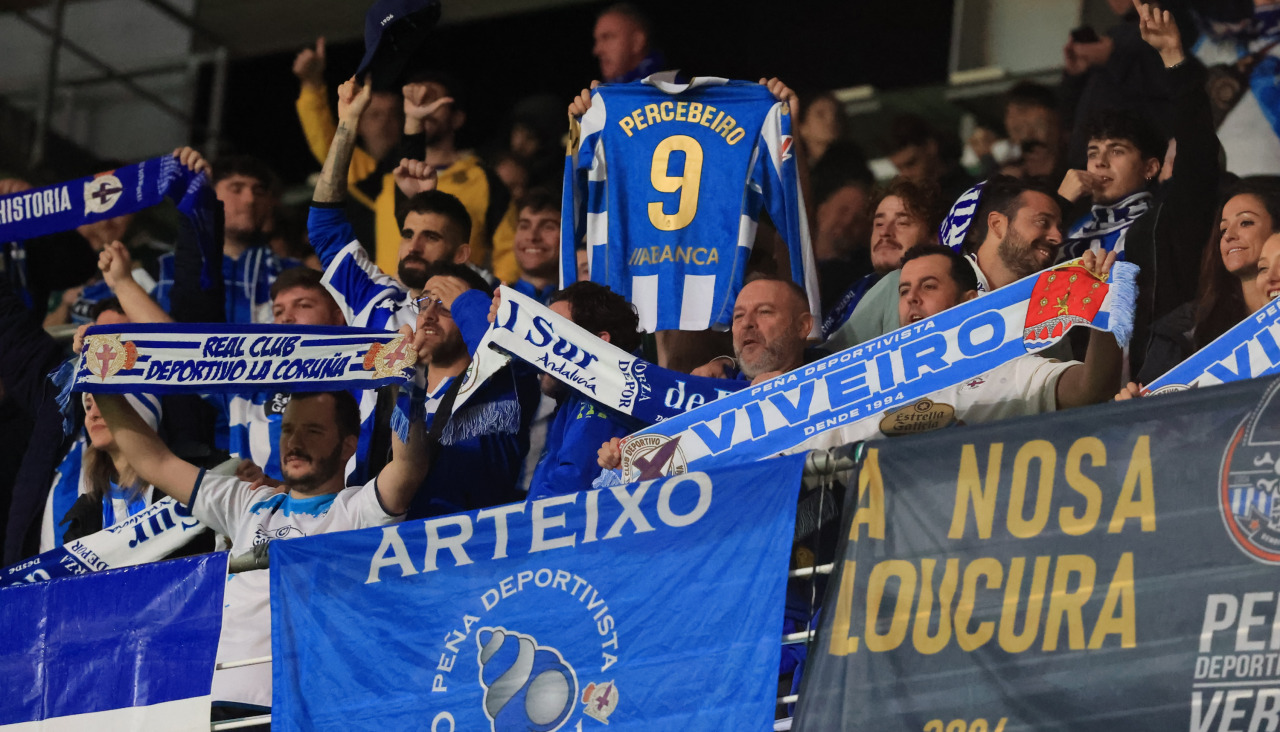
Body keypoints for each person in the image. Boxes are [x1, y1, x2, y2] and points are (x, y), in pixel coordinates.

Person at [94, 385, 429, 717]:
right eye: (287, 430)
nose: (294, 443)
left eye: (312, 431)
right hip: (206, 705)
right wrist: (100, 382)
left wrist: (409, 385)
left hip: (287, 712)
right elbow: (155, 461)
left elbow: (408, 466)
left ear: (348, 446)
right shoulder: (248, 501)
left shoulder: (357, 510)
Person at [309, 76, 477, 333]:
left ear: (460, 255)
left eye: (431, 237)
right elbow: (324, 227)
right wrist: (348, 123)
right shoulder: (373, 297)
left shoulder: (478, 314)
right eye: (408, 235)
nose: (413, 247)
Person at [824, 175, 1063, 351]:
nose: (1058, 237)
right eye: (1042, 222)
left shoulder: (1048, 314)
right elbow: (825, 366)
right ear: (997, 225)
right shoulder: (900, 286)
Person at [407, 264, 540, 516]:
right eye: (424, 302)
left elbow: (499, 356)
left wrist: (467, 301)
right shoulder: (402, 392)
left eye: (445, 304)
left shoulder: (505, 388)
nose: (429, 315)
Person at [1134, 179, 1280, 383]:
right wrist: (1134, 397)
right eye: (1223, 229)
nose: (1229, 236)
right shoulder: (1186, 327)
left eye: (1245, 223)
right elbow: (1155, 395)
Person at [390, 71, 517, 283]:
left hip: (451, 297)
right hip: (398, 298)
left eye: (432, 99)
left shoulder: (484, 179)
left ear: (457, 118)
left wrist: (495, 299)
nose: (423, 104)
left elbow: (509, 253)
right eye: (418, 97)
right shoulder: (392, 177)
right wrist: (413, 122)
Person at [524, 282, 645, 501]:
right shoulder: (576, 399)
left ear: (599, 341)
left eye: (554, 333)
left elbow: (565, 493)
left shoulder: (607, 397)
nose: (542, 346)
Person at [152, 154, 296, 323]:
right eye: (236, 189)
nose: (250, 200)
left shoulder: (293, 275)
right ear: (208, 194)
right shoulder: (162, 270)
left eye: (259, 192)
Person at [820, 178, 942, 340]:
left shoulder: (936, 295)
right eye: (879, 223)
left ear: (934, 239)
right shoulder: (860, 287)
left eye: (902, 223)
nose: (884, 232)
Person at [885, 114, 975, 209]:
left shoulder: (970, 193)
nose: (905, 174)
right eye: (899, 168)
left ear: (930, 147)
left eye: (911, 163)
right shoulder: (914, 201)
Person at [511, 189, 560, 305]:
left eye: (547, 227)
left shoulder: (583, 308)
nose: (532, 236)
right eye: (524, 226)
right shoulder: (490, 301)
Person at [593, 3, 662, 83]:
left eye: (607, 37)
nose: (597, 50)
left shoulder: (666, 87)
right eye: (597, 40)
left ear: (637, 42)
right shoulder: (602, 87)